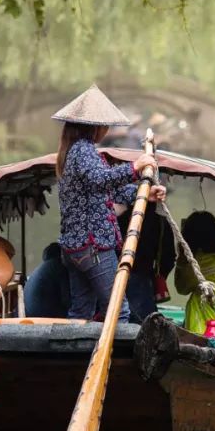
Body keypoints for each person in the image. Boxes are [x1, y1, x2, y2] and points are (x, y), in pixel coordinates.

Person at [53, 84, 167, 322]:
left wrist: (145, 195)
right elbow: (101, 180)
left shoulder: (74, 152)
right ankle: (110, 358)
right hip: (92, 247)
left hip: (76, 248)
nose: (106, 130)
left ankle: (77, 357)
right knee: (118, 310)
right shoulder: (83, 151)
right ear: (94, 126)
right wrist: (135, 167)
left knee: (81, 311)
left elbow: (108, 191)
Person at [118, 204, 175, 322]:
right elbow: (168, 257)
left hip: (114, 274)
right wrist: (159, 275)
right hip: (144, 280)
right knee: (144, 323)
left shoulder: (119, 219)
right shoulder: (160, 222)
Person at [23, 242, 71, 318]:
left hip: (31, 315)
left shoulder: (43, 268)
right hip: (44, 317)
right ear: (62, 254)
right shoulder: (57, 266)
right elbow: (67, 300)